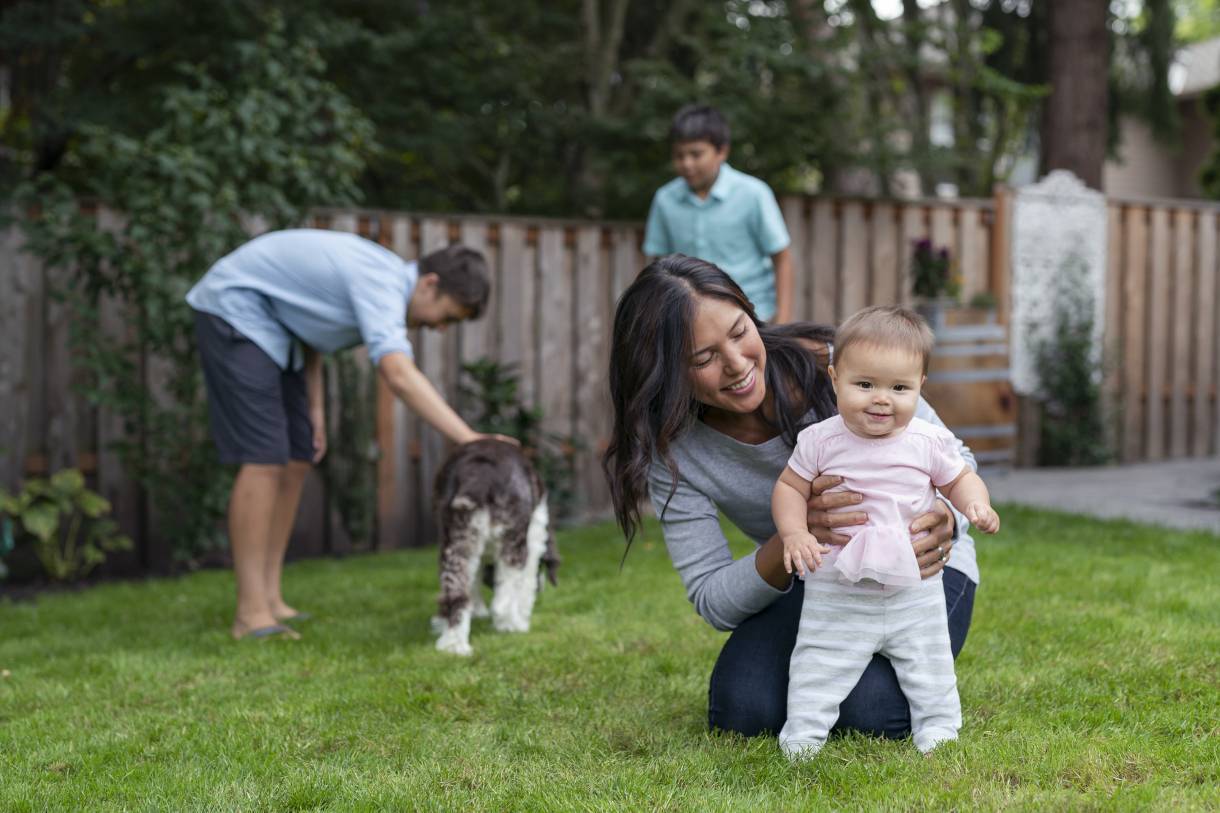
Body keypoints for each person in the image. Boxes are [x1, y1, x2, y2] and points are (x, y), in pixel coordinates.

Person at [603, 254, 979, 741]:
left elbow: (955, 458)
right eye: (703, 359)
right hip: (824, 576)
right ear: (665, 372)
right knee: (742, 709)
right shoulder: (675, 452)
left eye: (739, 333)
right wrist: (795, 534)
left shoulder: (839, 366)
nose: (737, 365)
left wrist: (947, 517)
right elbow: (713, 598)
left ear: (751, 313)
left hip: (921, 571)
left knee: (872, 714)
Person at [187, 229, 512, 640]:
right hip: (235, 310)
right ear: (430, 284)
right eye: (446, 316)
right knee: (265, 457)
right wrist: (469, 439)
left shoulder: (382, 282)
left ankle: (270, 599)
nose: (441, 329)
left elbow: (309, 325)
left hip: (278, 331)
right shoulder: (381, 282)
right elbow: (397, 373)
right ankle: (250, 614)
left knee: (298, 454)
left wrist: (315, 408)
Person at [772, 305, 999, 758]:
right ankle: (803, 736)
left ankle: (938, 727)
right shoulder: (819, 440)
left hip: (912, 587)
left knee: (928, 658)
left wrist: (974, 503)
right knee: (819, 660)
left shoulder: (927, 441)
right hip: (838, 587)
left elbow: (959, 478)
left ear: (920, 388)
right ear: (835, 380)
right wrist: (795, 533)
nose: (882, 399)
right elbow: (789, 488)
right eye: (865, 384)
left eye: (899, 387)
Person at [643, 105, 795, 323]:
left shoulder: (753, 194)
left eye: (696, 154)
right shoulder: (664, 200)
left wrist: (783, 323)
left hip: (753, 317)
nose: (687, 163)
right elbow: (658, 264)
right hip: (690, 321)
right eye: (679, 155)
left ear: (722, 151)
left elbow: (782, 258)